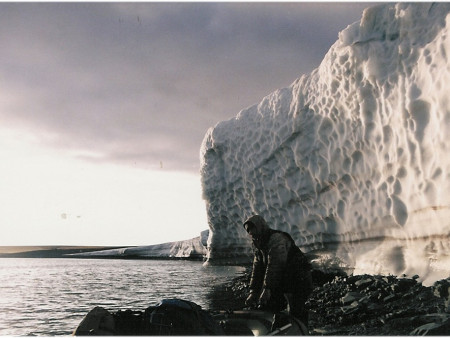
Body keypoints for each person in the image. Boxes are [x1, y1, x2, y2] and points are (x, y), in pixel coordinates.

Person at [243, 215, 313, 326]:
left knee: (296, 308)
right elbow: (257, 267)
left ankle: (300, 330)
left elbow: (275, 265)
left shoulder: (276, 239)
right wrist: (253, 291)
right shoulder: (258, 244)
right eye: (249, 232)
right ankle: (281, 328)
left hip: (298, 276)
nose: (251, 234)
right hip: (284, 277)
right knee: (273, 306)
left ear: (260, 227)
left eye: (253, 230)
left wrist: (267, 289)